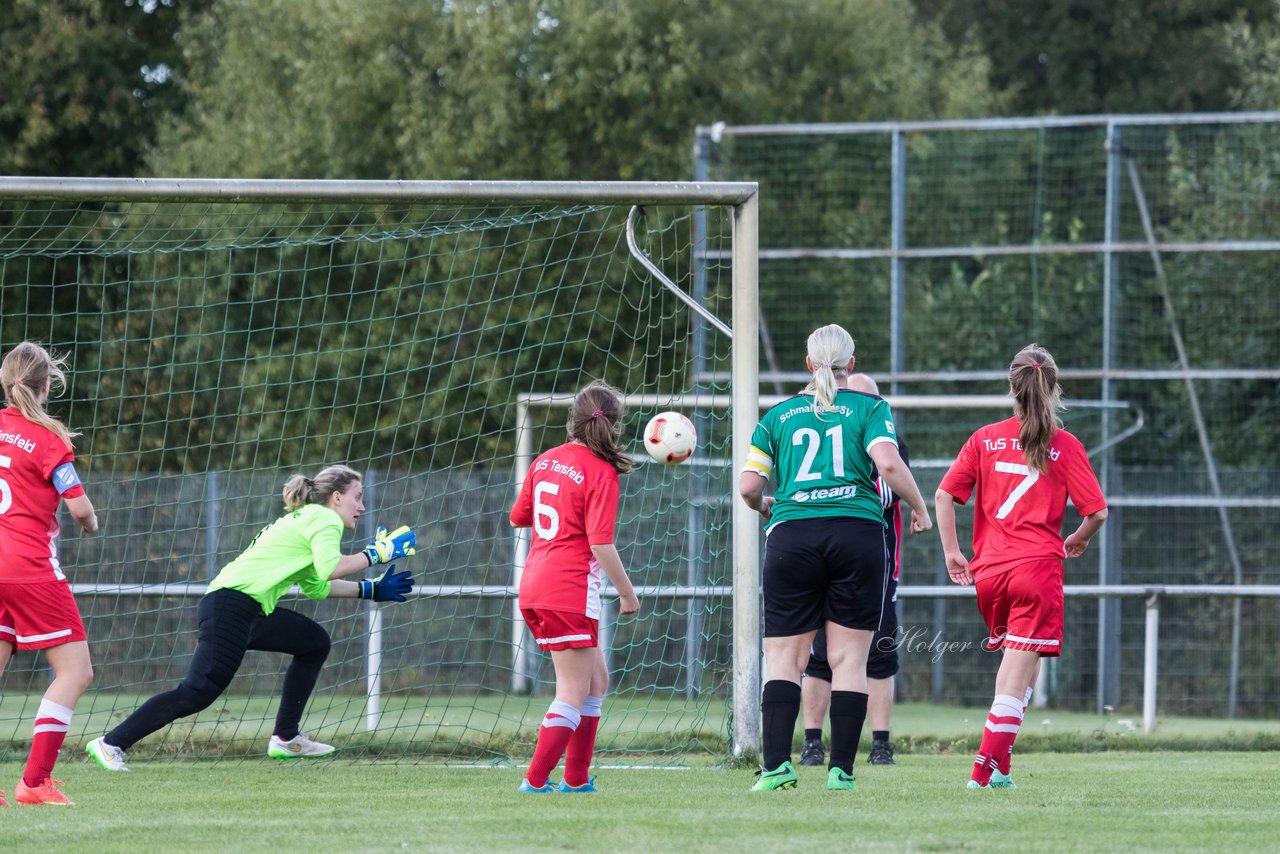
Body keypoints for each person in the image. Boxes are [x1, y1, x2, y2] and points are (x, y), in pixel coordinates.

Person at [85, 465, 416, 771]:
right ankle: (111, 743)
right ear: (337, 497)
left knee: (314, 643)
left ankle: (286, 739)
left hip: (247, 608)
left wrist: (369, 590)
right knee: (196, 692)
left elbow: (317, 585)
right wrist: (377, 553)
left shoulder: (308, 518)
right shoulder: (324, 519)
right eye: (357, 498)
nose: (361, 507)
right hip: (233, 606)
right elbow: (331, 567)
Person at [739, 324, 931, 792]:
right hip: (857, 536)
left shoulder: (778, 416)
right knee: (850, 659)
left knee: (784, 658)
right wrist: (920, 506)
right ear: (853, 363)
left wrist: (765, 506)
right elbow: (887, 464)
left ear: (808, 364)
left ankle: (777, 768)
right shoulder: (870, 407)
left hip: (792, 539)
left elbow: (748, 487)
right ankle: (841, 772)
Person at [935, 344, 1107, 790]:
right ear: (1052, 388)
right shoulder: (1065, 445)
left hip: (989, 574)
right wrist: (1079, 538)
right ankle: (980, 775)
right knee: (1015, 677)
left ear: (1013, 386)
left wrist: (953, 551)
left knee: (1024, 669)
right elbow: (1098, 512)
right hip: (1036, 571)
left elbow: (943, 496)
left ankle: (1002, 771)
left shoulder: (984, 437)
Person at [510, 381, 640, 794]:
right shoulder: (602, 472)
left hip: (534, 584)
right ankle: (534, 781)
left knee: (595, 682)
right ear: (613, 426)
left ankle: (577, 778)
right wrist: (627, 592)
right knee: (572, 689)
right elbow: (600, 542)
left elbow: (519, 516)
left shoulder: (546, 459)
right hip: (568, 588)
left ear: (573, 421)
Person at [0, 342, 100, 806]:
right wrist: (91, 523)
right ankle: (34, 783)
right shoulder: (48, 440)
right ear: (45, 385)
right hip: (27, 569)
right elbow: (79, 508)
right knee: (76, 671)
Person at [799, 373, 907, 769]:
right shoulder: (821, 435)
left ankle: (880, 744)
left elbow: (883, 493)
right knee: (818, 656)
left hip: (875, 569)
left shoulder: (890, 445)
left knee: (878, 657)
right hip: (820, 562)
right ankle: (812, 742)